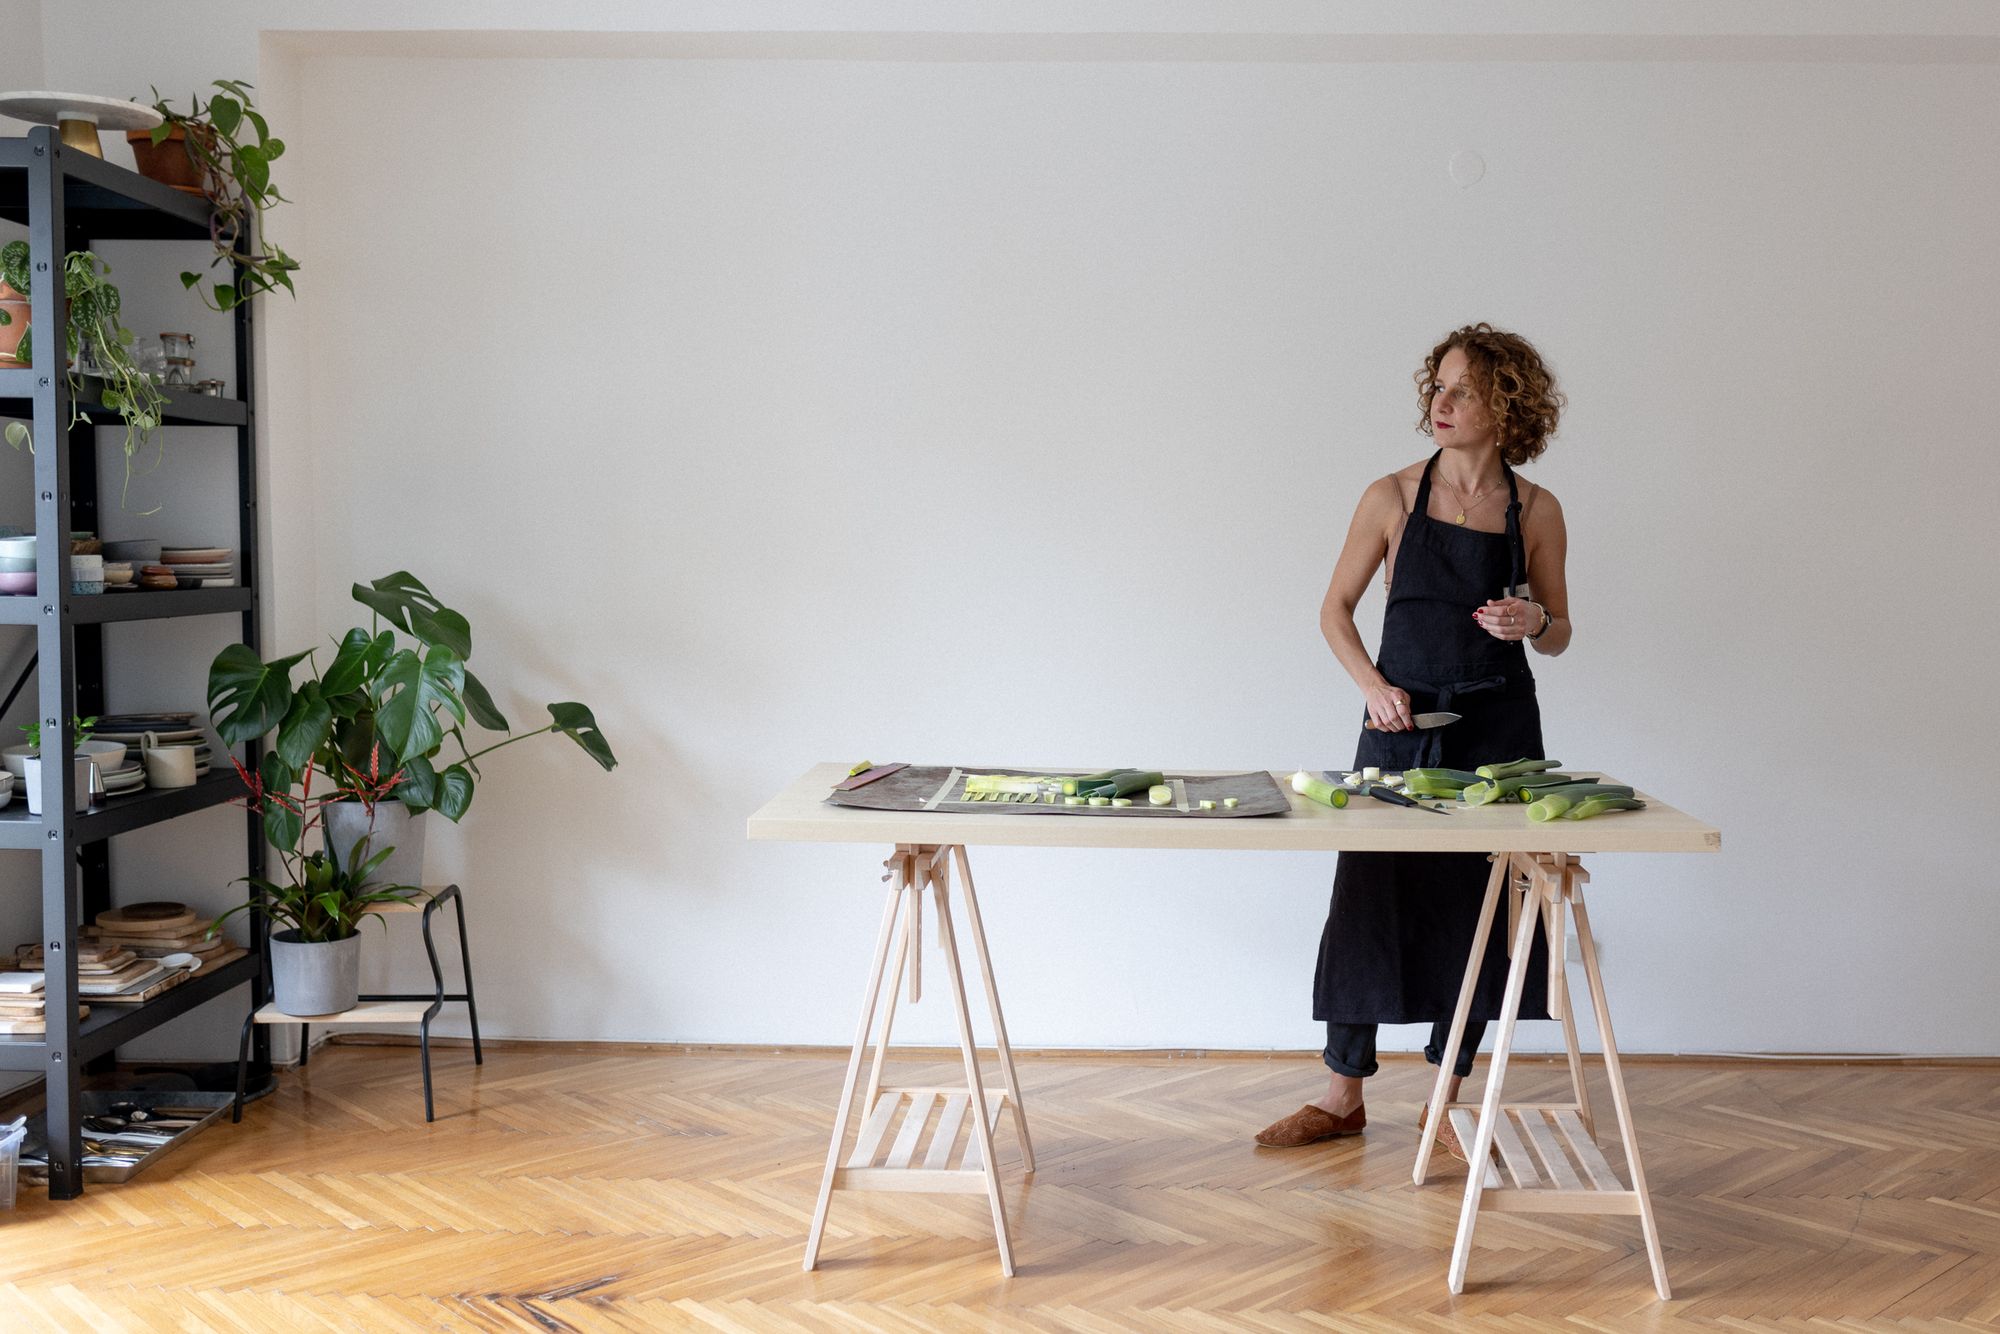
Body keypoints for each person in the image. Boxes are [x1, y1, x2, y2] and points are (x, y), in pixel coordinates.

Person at [1256, 323, 1570, 1161]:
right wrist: (1372, 686)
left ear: (1506, 405)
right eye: (1438, 385)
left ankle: (1445, 1104)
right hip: (1398, 728)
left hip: (1499, 735)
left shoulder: (1537, 510)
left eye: (1464, 390)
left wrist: (1534, 619)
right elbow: (1334, 611)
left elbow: (1561, 631)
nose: (1442, 401)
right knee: (1368, 899)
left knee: (1479, 913)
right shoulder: (1390, 496)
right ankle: (1342, 1096)